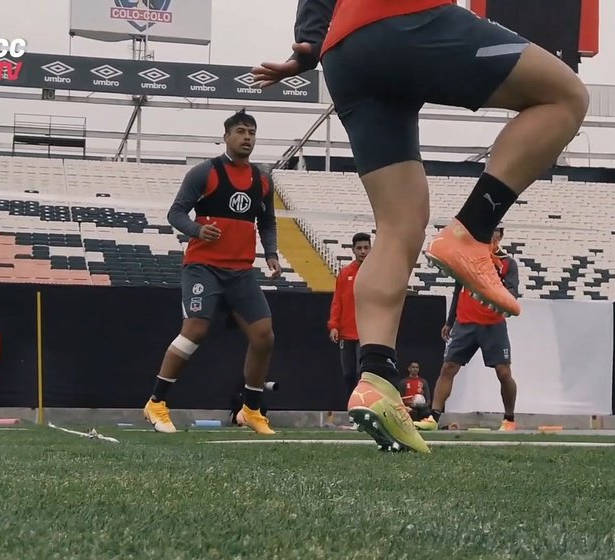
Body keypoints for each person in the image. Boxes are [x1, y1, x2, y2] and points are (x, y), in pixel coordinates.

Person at [251, 0, 588, 453]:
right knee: (566, 96)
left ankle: (377, 379)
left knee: (398, 226)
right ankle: (473, 230)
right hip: (409, 19)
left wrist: (310, 45)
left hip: (346, 55)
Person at [142, 109, 282, 435]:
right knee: (195, 330)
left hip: (241, 271)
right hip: (203, 268)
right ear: (227, 136)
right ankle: (156, 403)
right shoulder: (205, 172)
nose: (247, 137)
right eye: (241, 131)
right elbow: (175, 212)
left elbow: (268, 222)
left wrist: (271, 253)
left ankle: (250, 410)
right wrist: (196, 230)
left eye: (251, 132)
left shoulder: (263, 179)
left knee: (264, 336)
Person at [422, 227, 519, 431]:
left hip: (493, 324)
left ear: (500, 236)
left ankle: (509, 419)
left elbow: (512, 292)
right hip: (465, 322)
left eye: (494, 231)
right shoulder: (468, 257)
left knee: (503, 372)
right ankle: (433, 417)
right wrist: (450, 321)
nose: (489, 235)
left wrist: (495, 290)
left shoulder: (508, 263)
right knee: (448, 367)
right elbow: (458, 289)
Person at [328, 232, 371, 391]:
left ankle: (361, 405)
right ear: (353, 250)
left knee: (363, 372)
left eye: (366, 248)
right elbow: (337, 301)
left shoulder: (376, 272)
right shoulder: (345, 273)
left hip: (365, 332)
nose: (362, 251)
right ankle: (351, 407)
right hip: (346, 332)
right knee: (348, 373)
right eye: (359, 248)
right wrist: (333, 325)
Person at [397, 361, 436, 430]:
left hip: (421, 407)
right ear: (409, 369)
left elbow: (428, 400)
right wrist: (407, 406)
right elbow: (399, 398)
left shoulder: (423, 382)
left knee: (427, 412)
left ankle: (425, 425)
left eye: (417, 367)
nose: (415, 369)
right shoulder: (403, 382)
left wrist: (421, 406)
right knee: (412, 413)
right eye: (413, 367)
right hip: (408, 407)